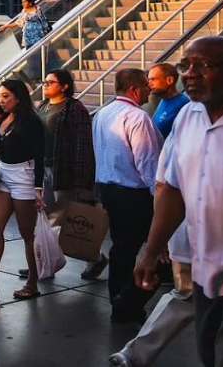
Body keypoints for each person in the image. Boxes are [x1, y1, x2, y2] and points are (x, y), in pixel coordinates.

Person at [135, 36, 223, 367]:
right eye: (185, 65)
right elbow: (171, 190)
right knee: (208, 354)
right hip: (205, 272)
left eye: (202, 66)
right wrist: (151, 250)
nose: (189, 74)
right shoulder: (187, 117)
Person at [110, 123, 194, 367]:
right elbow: (163, 186)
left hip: (189, 237)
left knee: (186, 296)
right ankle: (134, 353)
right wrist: (155, 245)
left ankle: (134, 353)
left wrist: (156, 245)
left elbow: (162, 186)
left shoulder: (187, 121)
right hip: (193, 238)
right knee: (188, 296)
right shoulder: (188, 120)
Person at [93, 68, 163, 323]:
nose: (150, 89)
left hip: (109, 189)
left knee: (121, 248)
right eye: (145, 85)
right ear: (134, 89)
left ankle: (119, 300)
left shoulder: (102, 113)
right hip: (134, 194)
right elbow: (148, 163)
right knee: (159, 250)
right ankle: (127, 301)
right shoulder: (137, 117)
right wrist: (159, 200)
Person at [33, 69, 105, 279]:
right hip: (43, 167)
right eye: (44, 82)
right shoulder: (44, 105)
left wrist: (82, 179)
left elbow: (83, 144)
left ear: (64, 86)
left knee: (63, 221)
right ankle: (43, 263)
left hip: (64, 169)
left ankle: (95, 259)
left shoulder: (75, 108)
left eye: (50, 82)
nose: (45, 85)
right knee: (45, 217)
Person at [0, 79, 45, 300]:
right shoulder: (2, 117)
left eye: (6, 96)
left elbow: (39, 155)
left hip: (24, 175)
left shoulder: (31, 121)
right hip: (3, 174)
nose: (1, 100)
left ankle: (32, 282)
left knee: (27, 232)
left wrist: (38, 187)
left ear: (18, 97)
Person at [148, 63, 188, 139]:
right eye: (149, 80)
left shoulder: (183, 105)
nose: (149, 84)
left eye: (153, 79)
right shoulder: (164, 99)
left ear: (169, 80)